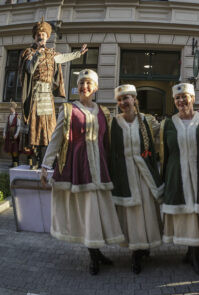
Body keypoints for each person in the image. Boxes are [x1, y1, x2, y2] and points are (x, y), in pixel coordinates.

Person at [40, 69, 124, 275]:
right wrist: (45, 165)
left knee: (98, 212)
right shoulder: (68, 109)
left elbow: (108, 144)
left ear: (95, 87)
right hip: (79, 167)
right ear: (77, 87)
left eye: (89, 83)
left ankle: (96, 251)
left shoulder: (104, 112)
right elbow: (56, 138)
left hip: (100, 169)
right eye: (81, 83)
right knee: (87, 211)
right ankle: (94, 256)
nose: (84, 87)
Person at [160, 83, 199, 276]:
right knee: (186, 214)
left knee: (198, 213)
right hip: (177, 173)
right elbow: (163, 153)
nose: (181, 101)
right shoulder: (167, 124)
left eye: (185, 97)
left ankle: (195, 255)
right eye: (177, 98)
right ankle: (190, 252)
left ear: (193, 98)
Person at [109, 84, 164, 274]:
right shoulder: (113, 123)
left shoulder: (147, 121)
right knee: (131, 213)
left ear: (134, 99)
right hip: (125, 174)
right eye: (120, 100)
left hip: (144, 175)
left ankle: (145, 245)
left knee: (146, 211)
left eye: (127, 98)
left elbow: (165, 131)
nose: (123, 102)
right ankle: (136, 251)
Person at [20, 18, 88, 169]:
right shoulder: (29, 53)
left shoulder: (52, 54)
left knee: (49, 127)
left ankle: (47, 158)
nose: (41, 36)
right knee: (36, 126)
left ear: (48, 37)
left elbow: (64, 58)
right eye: (39, 34)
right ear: (35, 37)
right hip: (36, 94)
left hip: (47, 95)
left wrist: (79, 53)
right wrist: (38, 53)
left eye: (44, 34)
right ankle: (34, 158)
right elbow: (30, 70)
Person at [3, 101, 23, 167]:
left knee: (15, 149)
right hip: (9, 135)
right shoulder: (9, 116)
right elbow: (6, 126)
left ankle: (16, 162)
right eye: (9, 108)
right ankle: (13, 162)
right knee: (10, 149)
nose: (9, 109)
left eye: (10, 108)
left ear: (13, 108)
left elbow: (19, 126)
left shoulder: (17, 116)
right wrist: (4, 134)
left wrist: (16, 134)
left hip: (14, 135)